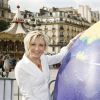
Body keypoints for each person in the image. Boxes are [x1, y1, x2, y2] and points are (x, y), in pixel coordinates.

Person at [15, 31, 81, 100]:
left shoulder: (43, 59)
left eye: (41, 45)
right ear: (27, 45)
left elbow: (60, 56)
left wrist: (72, 42)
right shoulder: (21, 67)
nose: (37, 48)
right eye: (33, 44)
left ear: (44, 47)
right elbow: (28, 95)